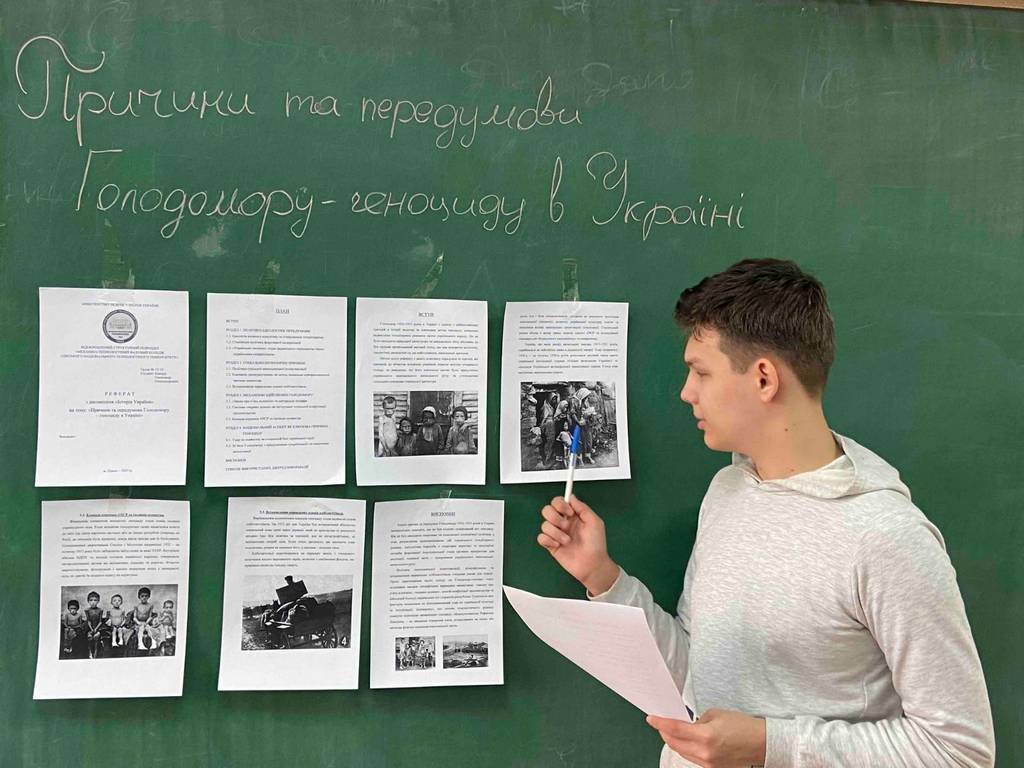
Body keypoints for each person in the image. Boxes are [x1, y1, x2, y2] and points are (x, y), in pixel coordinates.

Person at [537, 259, 995, 768]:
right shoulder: (729, 490)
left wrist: (768, 744)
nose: (686, 392)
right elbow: (698, 677)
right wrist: (603, 578)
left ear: (763, 379)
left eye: (701, 372)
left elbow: (959, 750)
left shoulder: (885, 538)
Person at [132, 587, 157, 654]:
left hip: (146, 622)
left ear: (149, 597)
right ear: (139, 597)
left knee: (149, 629)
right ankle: (140, 644)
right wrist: (138, 622)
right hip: (138, 623)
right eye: (142, 596)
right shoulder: (136, 606)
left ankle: (153, 642)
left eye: (146, 596)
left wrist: (146, 622)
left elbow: (150, 616)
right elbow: (134, 617)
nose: (144, 598)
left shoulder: (150, 606)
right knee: (141, 628)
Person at [83, 591, 106, 659]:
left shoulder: (100, 610)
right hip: (89, 628)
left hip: (98, 627)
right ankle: (90, 652)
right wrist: (91, 629)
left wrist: (96, 629)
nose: (93, 602)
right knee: (89, 637)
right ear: (88, 601)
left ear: (98, 601)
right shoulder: (87, 610)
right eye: (91, 600)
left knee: (96, 638)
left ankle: (95, 655)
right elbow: (88, 621)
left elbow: (100, 622)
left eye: (95, 600)